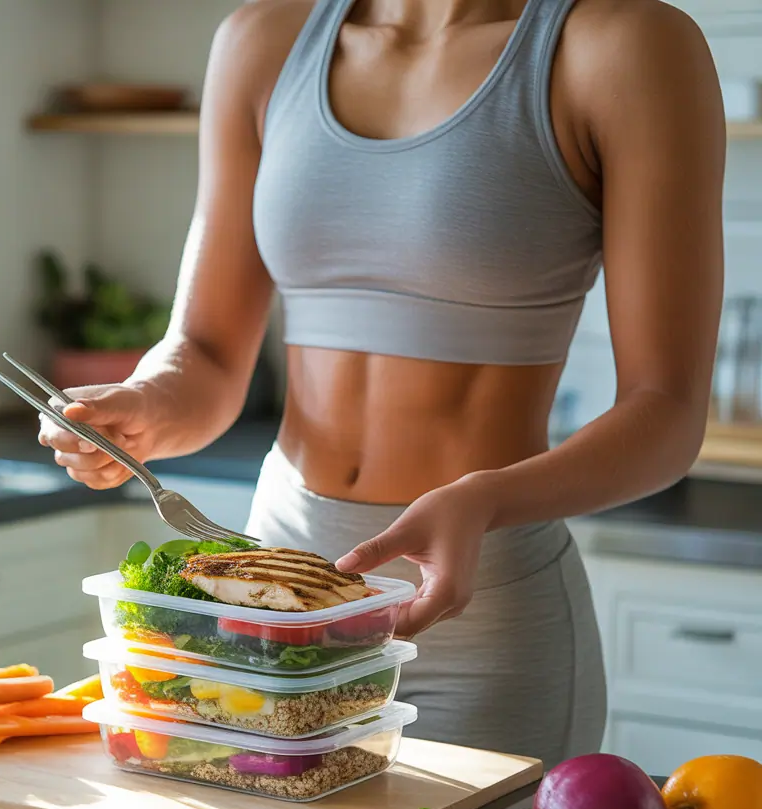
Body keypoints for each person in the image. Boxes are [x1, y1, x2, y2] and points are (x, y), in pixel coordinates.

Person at [40, 0, 725, 768]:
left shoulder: (621, 47)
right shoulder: (263, 42)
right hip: (273, 593)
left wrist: (484, 499)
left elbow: (666, 411)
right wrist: (144, 408)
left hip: (481, 618)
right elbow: (203, 351)